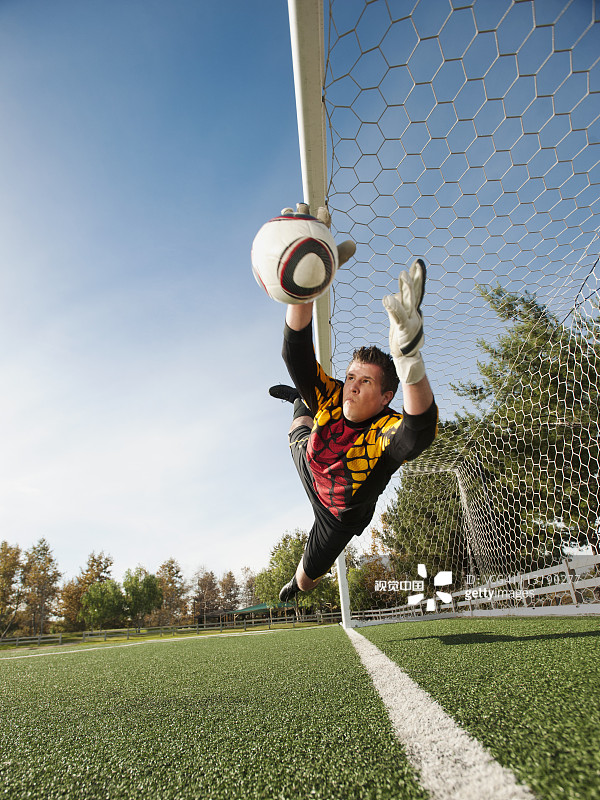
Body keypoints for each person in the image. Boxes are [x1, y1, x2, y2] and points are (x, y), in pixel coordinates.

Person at [270, 204, 438, 602]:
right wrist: (307, 286)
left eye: (365, 382)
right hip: (312, 463)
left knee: (308, 580)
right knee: (298, 422)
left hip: (337, 516)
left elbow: (419, 431)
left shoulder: (385, 432)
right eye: (350, 378)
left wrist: (410, 362)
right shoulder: (333, 392)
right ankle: (299, 402)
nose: (352, 387)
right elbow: (295, 351)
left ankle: (297, 585)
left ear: (385, 397)